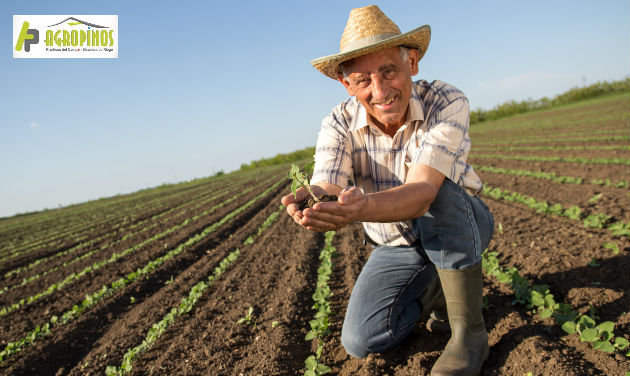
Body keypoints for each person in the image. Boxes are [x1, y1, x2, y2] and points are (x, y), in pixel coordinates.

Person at [281, 5, 494, 376]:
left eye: (389, 71)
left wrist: (360, 208)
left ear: (412, 62)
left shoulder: (445, 101)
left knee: (440, 192)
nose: (380, 91)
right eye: (362, 80)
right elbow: (329, 181)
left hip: (460, 225)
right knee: (361, 340)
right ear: (346, 85)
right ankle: (435, 290)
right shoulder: (338, 122)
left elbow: (425, 192)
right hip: (397, 243)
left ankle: (468, 333)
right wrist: (316, 200)